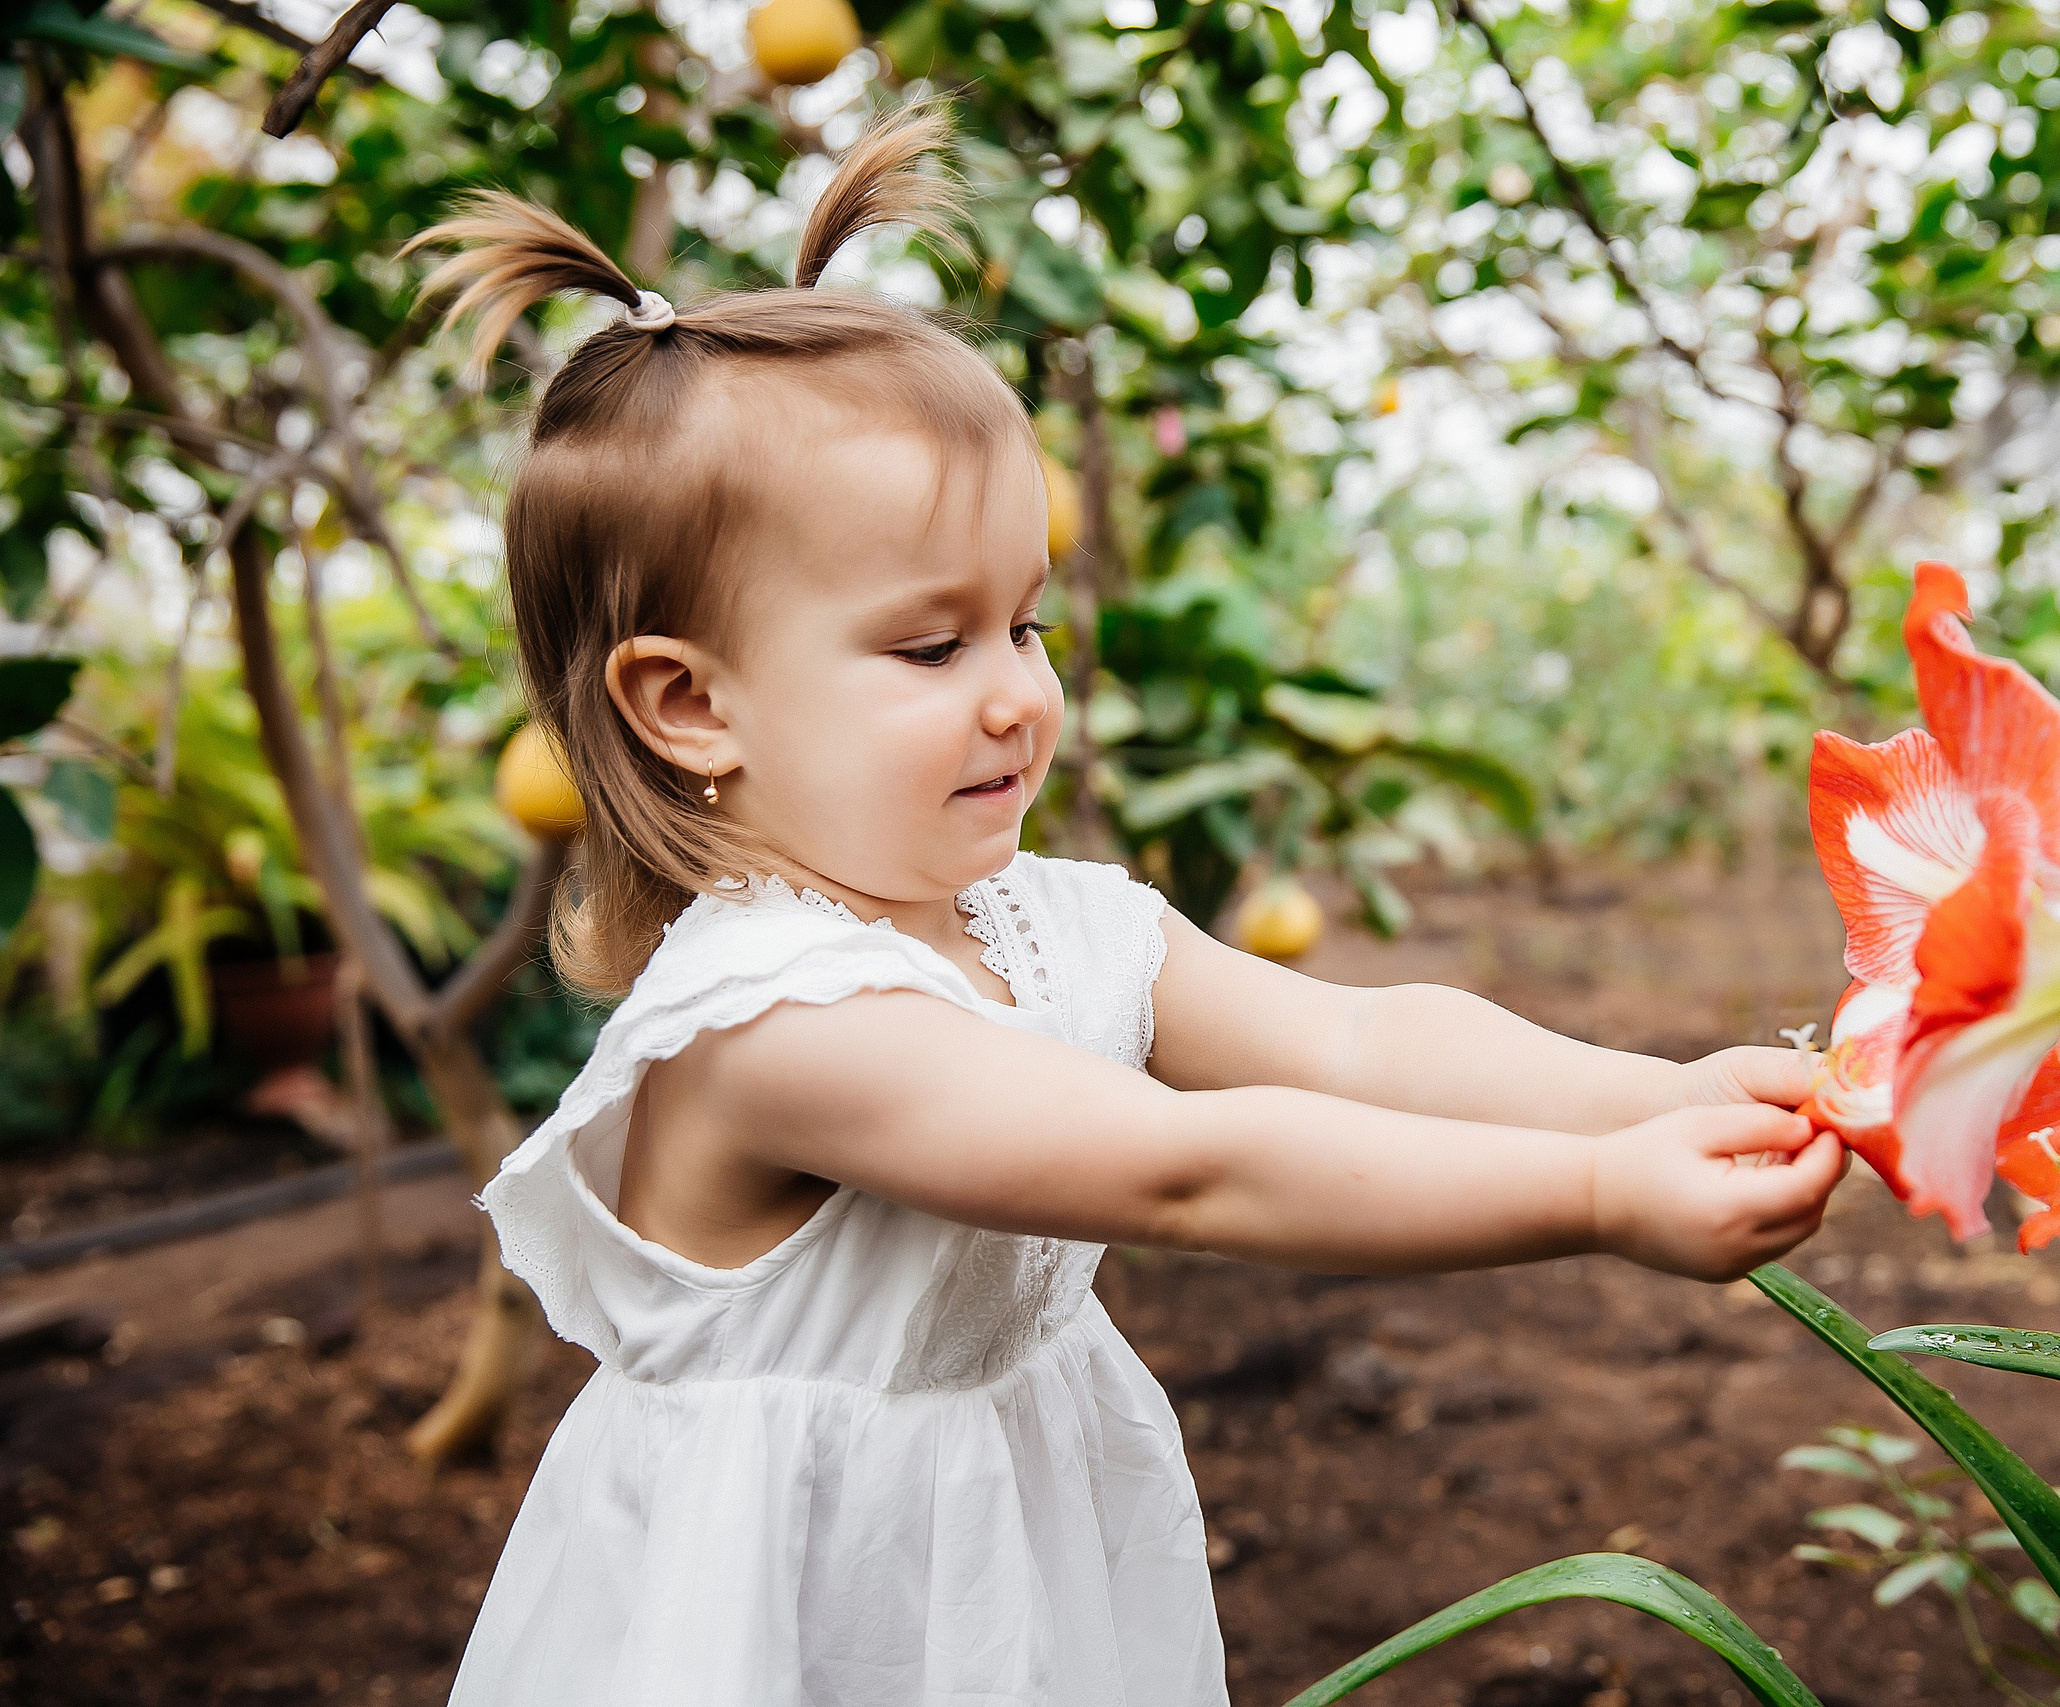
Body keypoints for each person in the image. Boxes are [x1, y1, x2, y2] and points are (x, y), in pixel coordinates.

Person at [427, 104, 1846, 1707]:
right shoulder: (778, 1024)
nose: (1017, 697)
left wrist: (1646, 1095)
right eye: (928, 646)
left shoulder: (1042, 917)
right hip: (786, 1616)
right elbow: (1186, 1168)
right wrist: (1595, 1197)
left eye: (1025, 625)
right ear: (689, 706)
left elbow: (1358, 1039)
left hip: (1000, 1555)